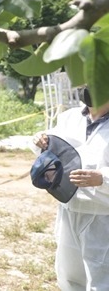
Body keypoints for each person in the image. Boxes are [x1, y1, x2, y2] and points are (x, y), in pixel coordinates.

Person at [33, 86, 109, 290]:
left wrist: (102, 178)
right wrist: (40, 141)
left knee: (101, 280)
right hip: (68, 209)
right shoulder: (69, 118)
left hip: (102, 215)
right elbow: (50, 150)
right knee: (69, 278)